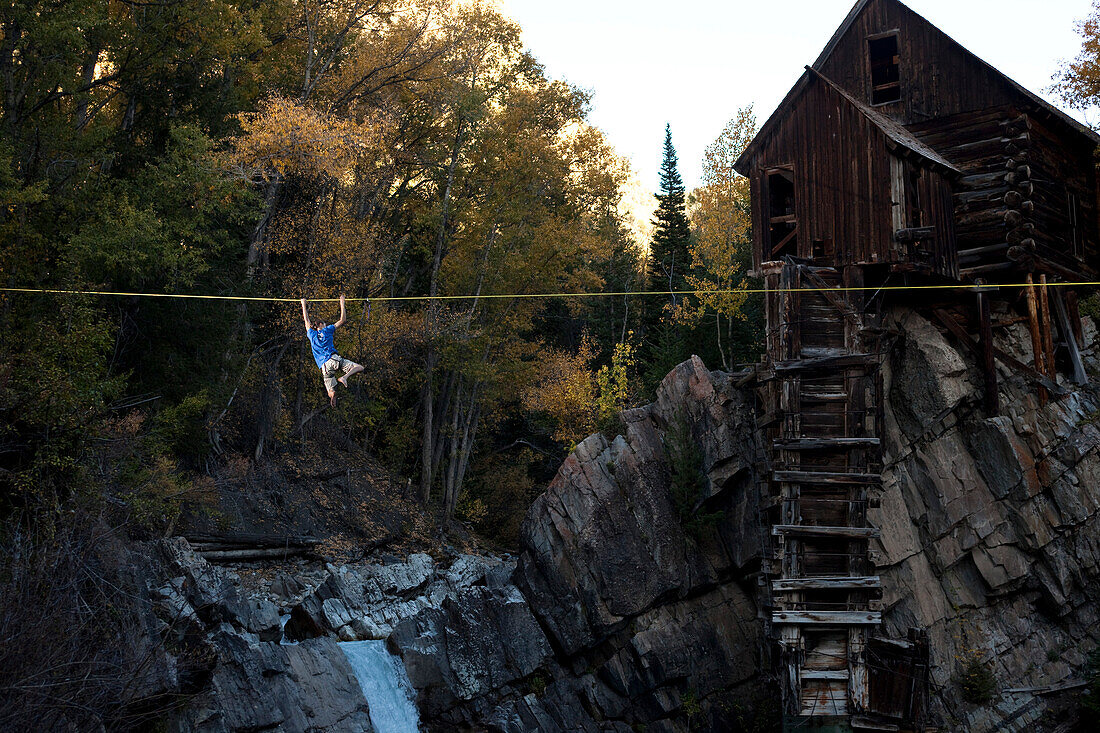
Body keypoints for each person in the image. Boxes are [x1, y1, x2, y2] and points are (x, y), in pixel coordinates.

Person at [301, 294, 364, 406]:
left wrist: (303, 304)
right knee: (359, 367)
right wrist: (342, 302)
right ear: (321, 325)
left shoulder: (311, 335)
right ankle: (345, 377)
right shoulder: (327, 330)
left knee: (330, 390)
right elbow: (342, 320)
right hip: (335, 359)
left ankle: (333, 394)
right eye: (325, 323)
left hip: (325, 367)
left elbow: (306, 319)